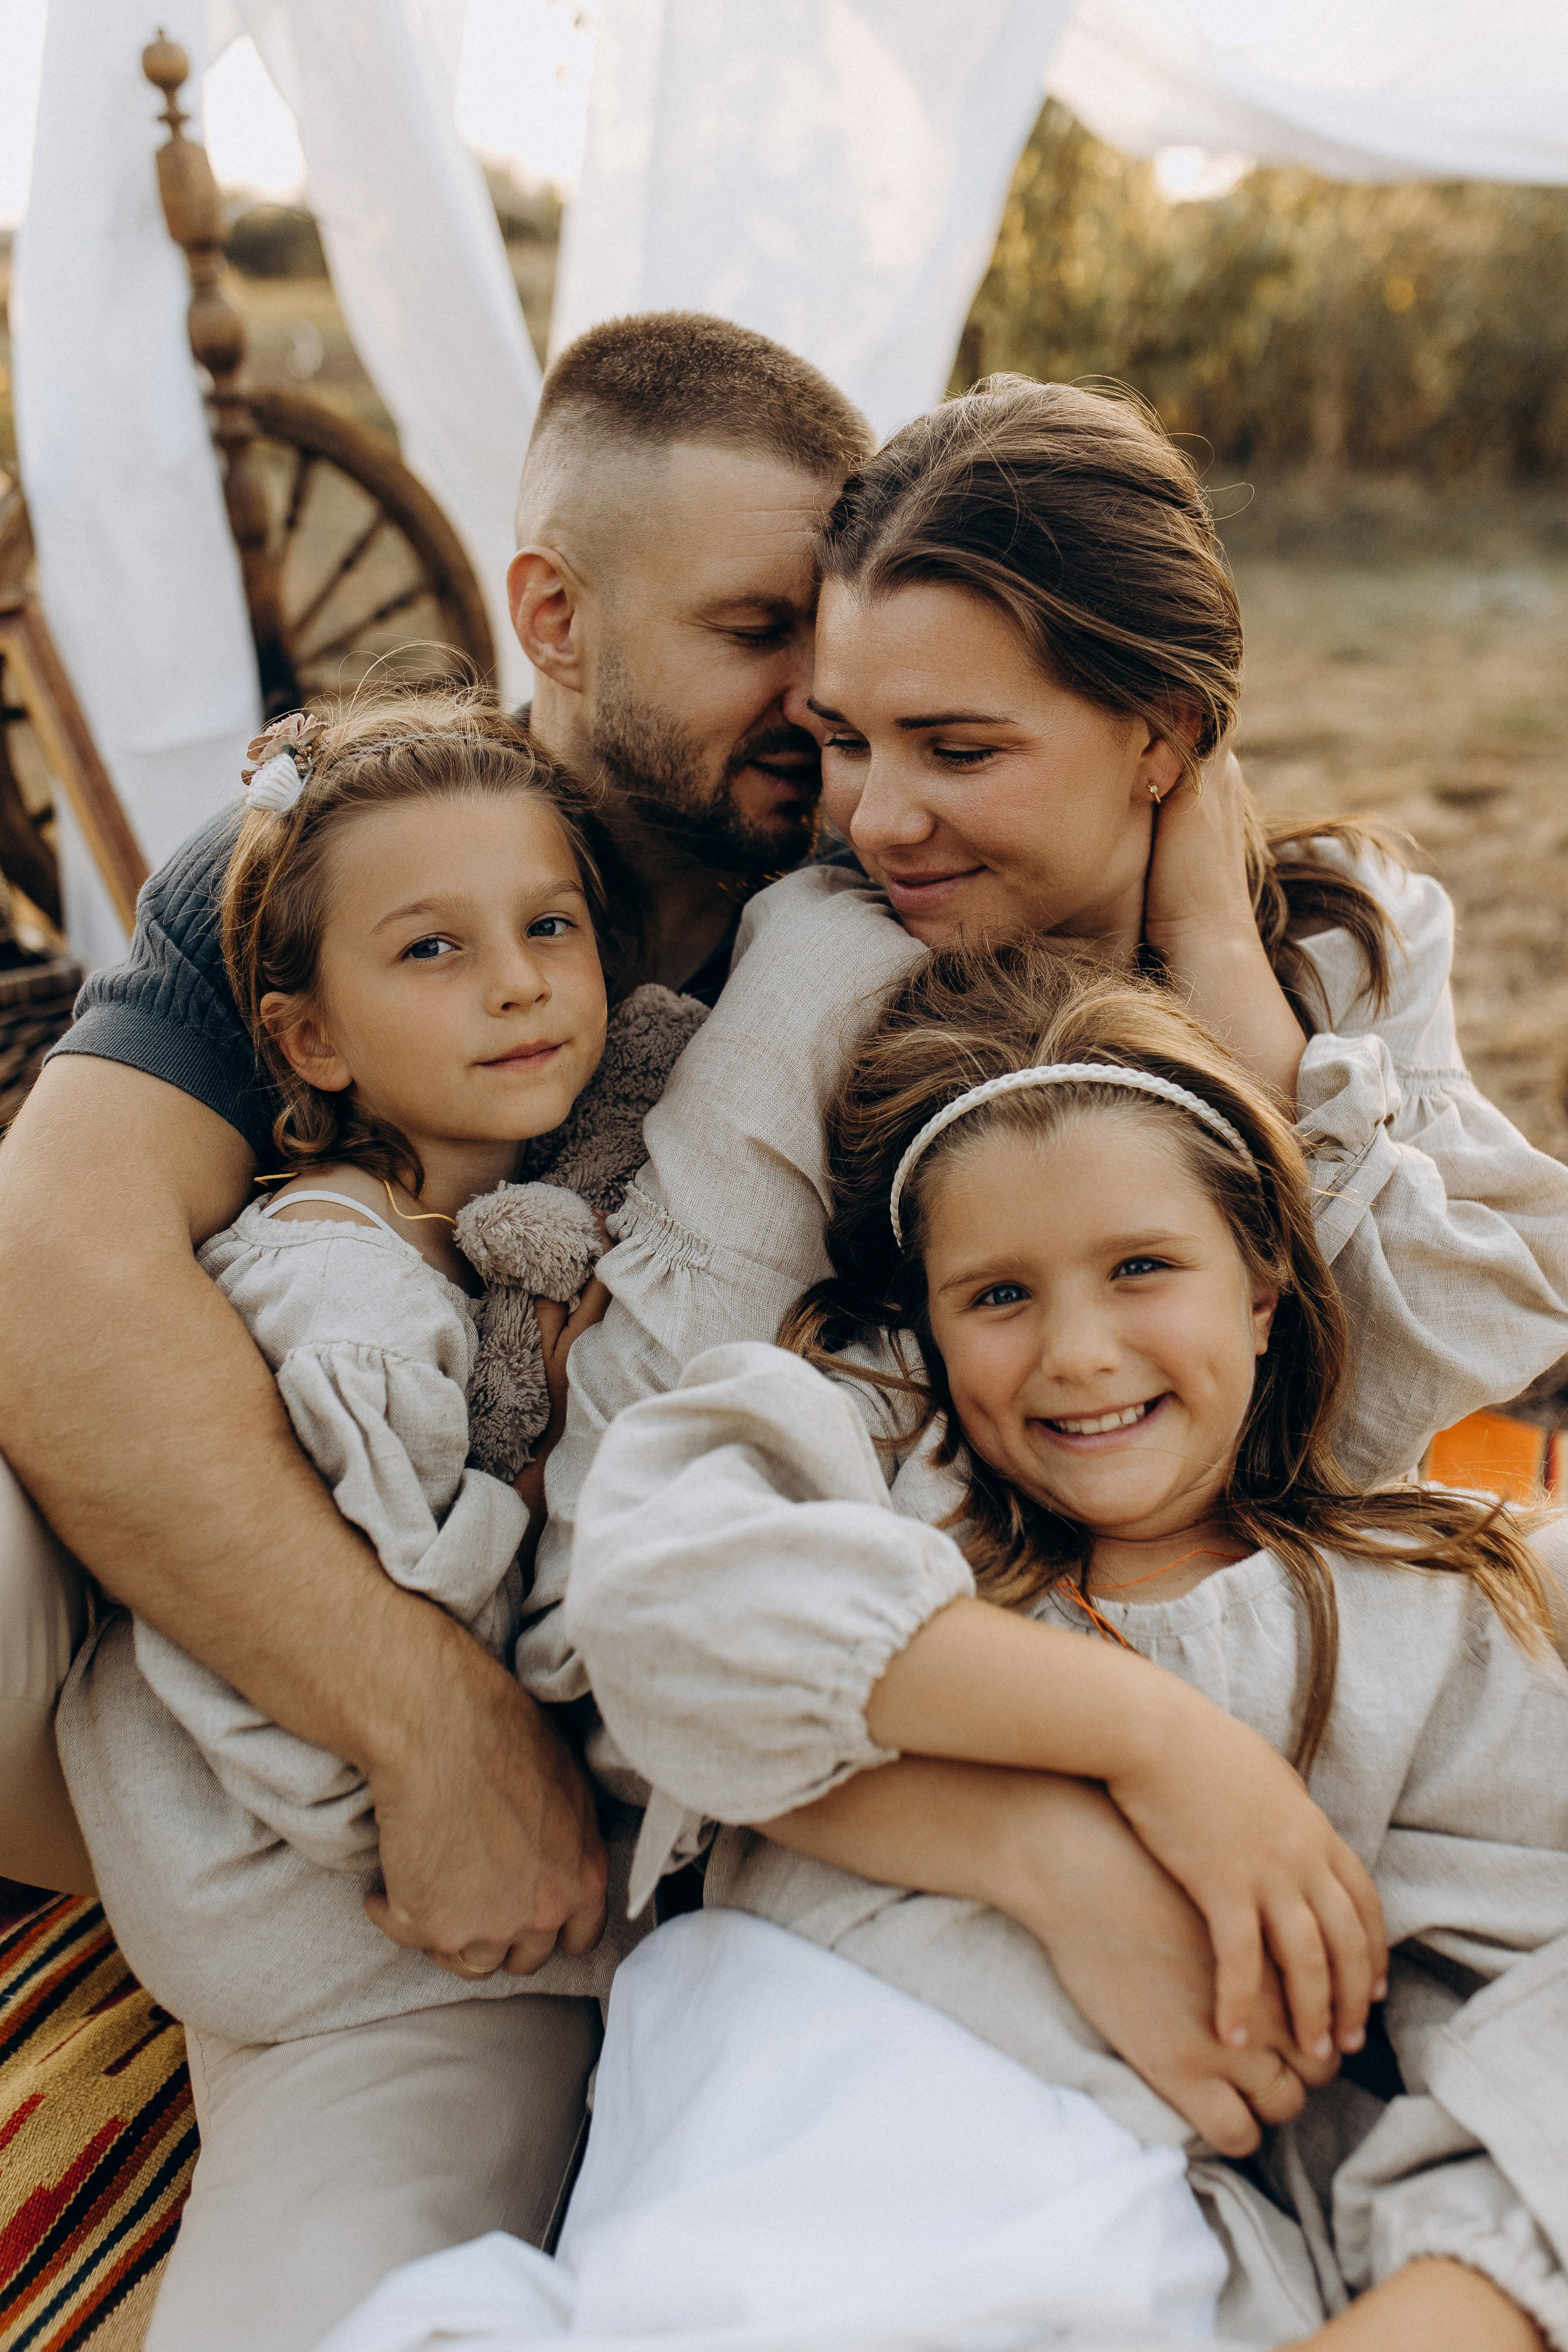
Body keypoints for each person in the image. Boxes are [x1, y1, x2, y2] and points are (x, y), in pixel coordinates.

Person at [519, 379, 1568, 2116]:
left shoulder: (1347, 956)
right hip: (950, 1718)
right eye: (848, 739)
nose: (875, 819)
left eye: (960, 746)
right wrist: (1048, 1842)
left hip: (1346, 1680)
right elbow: (611, 1566)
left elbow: (1368, 1401)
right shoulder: (826, 974)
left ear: (1165, 737)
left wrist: (1226, 980)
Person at [0, 315, 873, 2321]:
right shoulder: (341, 852)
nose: (826, 703)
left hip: (526, 1860)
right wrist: (422, 1720)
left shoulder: (874, 894)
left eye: (844, 631)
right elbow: (54, 1270)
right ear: (551, 612)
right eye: (760, 629)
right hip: (159, 1722)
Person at [448, 945, 1565, 2352]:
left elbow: (1529, 1999)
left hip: (1126, 2218)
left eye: (1142, 1269)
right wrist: (1154, 1743)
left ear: (1265, 1287)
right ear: (918, 1327)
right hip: (777, 2133)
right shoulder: (882, 1477)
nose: (1080, 1354)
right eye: (997, 1297)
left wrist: (1443, 2299)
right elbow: (661, 1603)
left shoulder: (1424, 1623)